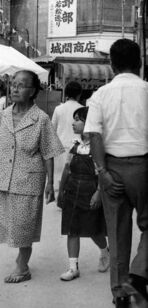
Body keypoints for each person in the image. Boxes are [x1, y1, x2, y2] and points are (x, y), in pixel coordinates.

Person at [85, 39, 148, 307]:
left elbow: (93, 134)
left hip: (111, 168)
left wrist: (103, 173)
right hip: (144, 168)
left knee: (117, 233)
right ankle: (138, 274)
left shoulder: (101, 95)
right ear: (140, 62)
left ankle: (121, 296)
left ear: (111, 65)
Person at [0, 70, 64, 283]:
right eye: (13, 84)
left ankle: (22, 267)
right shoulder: (4, 115)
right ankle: (22, 259)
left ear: (33, 91)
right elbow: (0, 148)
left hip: (29, 178)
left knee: (24, 225)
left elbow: (48, 153)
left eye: (21, 85)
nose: (14, 88)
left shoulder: (41, 119)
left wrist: (50, 183)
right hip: (6, 176)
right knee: (11, 223)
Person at [57, 107, 109, 281]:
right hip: (72, 190)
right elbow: (66, 169)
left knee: (94, 229)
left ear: (89, 123)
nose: (74, 123)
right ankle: (73, 268)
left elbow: (102, 173)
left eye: (78, 119)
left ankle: (104, 252)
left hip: (90, 190)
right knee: (72, 230)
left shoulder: (98, 146)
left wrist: (98, 193)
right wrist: (61, 190)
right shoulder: (74, 144)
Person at [52, 81, 84, 190]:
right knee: (73, 177)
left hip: (60, 147)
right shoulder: (82, 110)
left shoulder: (58, 109)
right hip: (77, 149)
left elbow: (52, 130)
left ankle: (61, 201)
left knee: (60, 178)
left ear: (66, 94)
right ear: (79, 94)